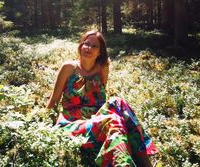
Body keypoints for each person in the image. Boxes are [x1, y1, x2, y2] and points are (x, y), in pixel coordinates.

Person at [47, 30, 157, 166]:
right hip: (72, 124)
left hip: (97, 118)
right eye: (86, 44)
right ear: (81, 46)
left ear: (100, 52)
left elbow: (101, 97)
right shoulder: (68, 68)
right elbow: (54, 100)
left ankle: (143, 161)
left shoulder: (102, 68)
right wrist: (44, 127)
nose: (89, 48)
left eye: (94, 46)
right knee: (113, 121)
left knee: (118, 102)